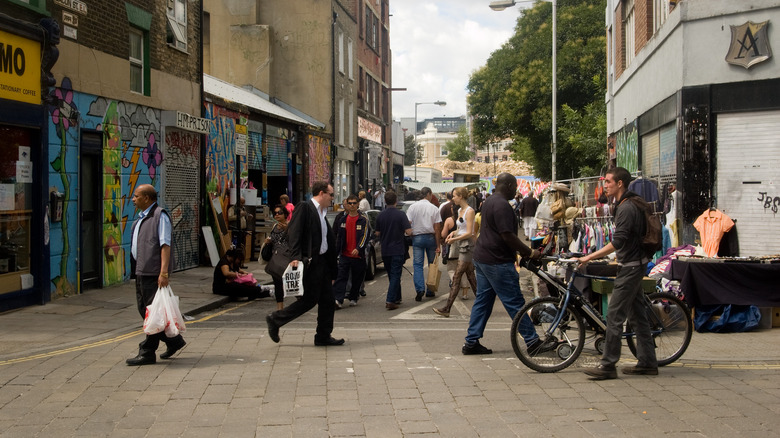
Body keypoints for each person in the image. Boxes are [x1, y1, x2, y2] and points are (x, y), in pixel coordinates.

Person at [576, 167, 658, 380]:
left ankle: (608, 365)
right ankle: (648, 363)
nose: (605, 185)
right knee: (638, 316)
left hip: (631, 267)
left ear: (620, 183)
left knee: (614, 316)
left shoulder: (627, 208)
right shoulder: (626, 204)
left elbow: (618, 241)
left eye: (609, 182)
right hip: (633, 263)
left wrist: (589, 257)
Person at [462, 173, 546, 355]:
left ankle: (471, 341)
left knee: (483, 302)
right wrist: (530, 252)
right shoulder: (502, 206)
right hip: (497, 261)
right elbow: (507, 235)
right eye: (515, 186)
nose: (516, 190)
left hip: (483, 258)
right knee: (515, 301)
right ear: (508, 185)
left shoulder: (490, 201)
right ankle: (533, 341)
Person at [265, 182, 344, 346]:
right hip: (311, 263)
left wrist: (333, 270)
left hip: (323, 263)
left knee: (328, 300)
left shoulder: (322, 213)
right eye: (331, 195)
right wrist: (295, 256)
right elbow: (294, 232)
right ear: (321, 193)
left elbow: (326, 241)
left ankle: (323, 335)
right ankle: (275, 319)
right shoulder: (305, 207)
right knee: (309, 300)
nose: (332, 198)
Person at [126, 184, 186, 366]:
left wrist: (164, 272)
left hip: (153, 272)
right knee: (145, 310)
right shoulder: (141, 218)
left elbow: (165, 245)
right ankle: (173, 341)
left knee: (152, 312)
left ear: (147, 198)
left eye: (136, 196)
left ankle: (147, 351)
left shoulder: (160, 216)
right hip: (141, 270)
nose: (133, 199)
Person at [434, 187, 478, 317]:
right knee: (471, 277)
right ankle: (484, 303)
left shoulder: (470, 211)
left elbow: (470, 232)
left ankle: (447, 308)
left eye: (454, 196)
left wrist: (454, 238)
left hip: (467, 246)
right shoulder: (460, 210)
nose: (452, 198)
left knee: (457, 276)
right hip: (461, 245)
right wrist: (452, 233)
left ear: (461, 197)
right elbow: (460, 229)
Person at [375, 190, 412, 310]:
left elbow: (377, 233)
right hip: (397, 248)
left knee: (391, 275)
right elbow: (408, 231)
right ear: (396, 201)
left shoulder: (380, 215)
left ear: (385, 201)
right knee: (396, 274)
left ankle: (397, 297)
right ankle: (390, 300)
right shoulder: (401, 215)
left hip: (385, 249)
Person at [406, 187, 442, 301]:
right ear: (429, 194)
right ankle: (430, 290)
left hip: (417, 238)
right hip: (431, 237)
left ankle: (420, 289)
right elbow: (437, 228)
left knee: (417, 265)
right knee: (432, 264)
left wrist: (411, 233)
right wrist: (438, 245)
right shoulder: (434, 208)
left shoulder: (412, 207)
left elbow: (408, 223)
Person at [333, 194, 369, 308]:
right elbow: (339, 237)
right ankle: (338, 299)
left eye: (354, 203)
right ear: (347, 205)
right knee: (341, 277)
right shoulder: (342, 220)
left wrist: (358, 248)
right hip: (345, 254)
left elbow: (365, 236)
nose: (352, 205)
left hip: (358, 256)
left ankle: (353, 297)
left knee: (357, 278)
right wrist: (336, 252)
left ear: (358, 204)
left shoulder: (363, 220)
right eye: (350, 203)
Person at [263, 205, 291, 310]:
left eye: (279, 212)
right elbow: (273, 239)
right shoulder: (274, 226)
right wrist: (268, 241)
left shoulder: (290, 225)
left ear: (285, 214)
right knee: (277, 283)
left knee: (291, 282)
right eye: (275, 213)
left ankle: (300, 301)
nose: (277, 215)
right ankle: (280, 307)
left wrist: (287, 230)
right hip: (275, 258)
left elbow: (295, 239)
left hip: (286, 258)